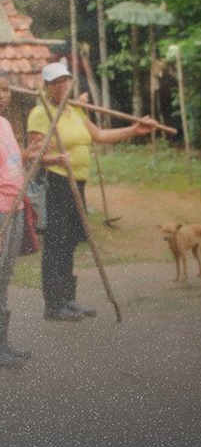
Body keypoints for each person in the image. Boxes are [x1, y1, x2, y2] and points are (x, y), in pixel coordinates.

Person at [27, 62, 153, 322]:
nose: (61, 85)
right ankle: (54, 304)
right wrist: (54, 160)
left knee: (71, 240)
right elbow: (35, 154)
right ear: (47, 86)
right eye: (55, 82)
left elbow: (100, 135)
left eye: (65, 80)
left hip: (78, 182)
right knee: (56, 242)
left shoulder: (75, 110)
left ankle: (68, 299)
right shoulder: (41, 112)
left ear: (71, 82)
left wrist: (134, 130)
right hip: (57, 181)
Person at [0, 80, 33, 367]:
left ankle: (3, 343)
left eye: (5, 89)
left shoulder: (5, 124)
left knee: (4, 276)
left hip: (16, 207)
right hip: (0, 212)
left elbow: (11, 161)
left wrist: (29, 154)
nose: (2, 96)